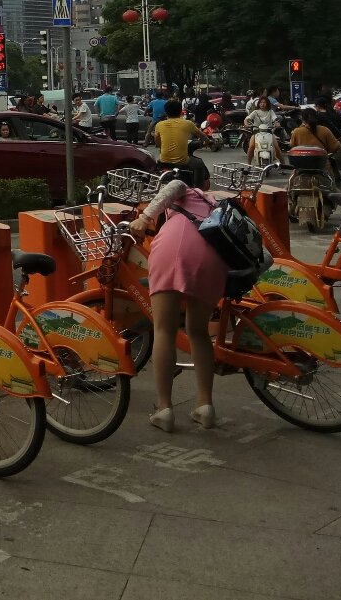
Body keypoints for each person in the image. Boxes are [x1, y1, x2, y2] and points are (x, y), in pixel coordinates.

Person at [131, 173, 225, 431]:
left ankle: (164, 408)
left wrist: (144, 218)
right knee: (198, 332)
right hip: (213, 261)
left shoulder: (186, 190)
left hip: (175, 250)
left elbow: (174, 186)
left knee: (164, 329)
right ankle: (205, 406)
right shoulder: (214, 203)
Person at [151, 99, 207, 186]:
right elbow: (202, 135)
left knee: (156, 165)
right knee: (199, 163)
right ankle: (198, 189)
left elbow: (158, 144)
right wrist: (209, 142)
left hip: (164, 160)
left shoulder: (159, 125)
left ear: (166, 112)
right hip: (183, 161)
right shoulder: (188, 123)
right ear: (181, 111)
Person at [243, 94, 284, 167]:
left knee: (276, 147)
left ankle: (283, 165)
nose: (262, 104)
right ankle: (248, 165)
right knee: (251, 146)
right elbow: (247, 119)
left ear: (267, 103)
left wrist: (277, 123)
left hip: (268, 133)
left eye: (264, 102)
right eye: (261, 102)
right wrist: (246, 123)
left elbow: (275, 119)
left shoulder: (270, 112)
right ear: (259, 104)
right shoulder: (255, 112)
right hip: (257, 133)